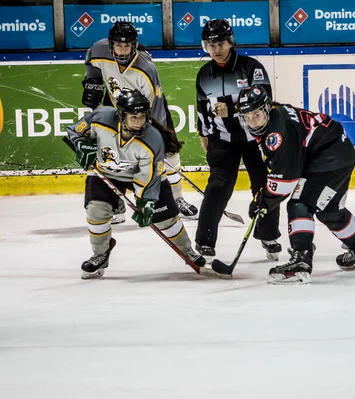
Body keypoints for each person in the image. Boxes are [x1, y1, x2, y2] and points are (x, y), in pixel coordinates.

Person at [236, 85, 355, 285]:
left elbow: (285, 183)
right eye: (247, 117)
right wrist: (264, 198)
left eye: (256, 115)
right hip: (336, 151)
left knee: (299, 203)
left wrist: (263, 201)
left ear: (267, 108)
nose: (252, 121)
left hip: (330, 158)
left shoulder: (277, 134)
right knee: (329, 210)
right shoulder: (276, 115)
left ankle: (301, 261)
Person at [66, 90, 206, 279]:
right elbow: (75, 130)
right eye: (133, 117)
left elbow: (148, 177)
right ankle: (100, 254)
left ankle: (187, 250)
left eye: (142, 117)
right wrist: (82, 145)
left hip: (138, 176)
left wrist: (146, 202)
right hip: (106, 172)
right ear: (121, 115)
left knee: (164, 218)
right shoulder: (101, 117)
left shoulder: (153, 139)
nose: (139, 122)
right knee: (96, 212)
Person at [82, 21, 198, 223]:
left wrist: (154, 135)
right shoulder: (99, 48)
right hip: (116, 109)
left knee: (170, 155)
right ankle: (116, 205)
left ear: (135, 45)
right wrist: (93, 81)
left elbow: (157, 109)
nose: (123, 50)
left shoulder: (146, 69)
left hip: (148, 113)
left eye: (127, 45)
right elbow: (91, 59)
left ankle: (177, 199)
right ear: (111, 44)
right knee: (111, 155)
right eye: (118, 45)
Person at [194, 19, 281, 262]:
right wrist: (203, 132)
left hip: (257, 138)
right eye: (210, 45)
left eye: (220, 43)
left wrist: (232, 109)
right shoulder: (204, 74)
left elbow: (265, 99)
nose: (215, 49)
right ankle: (204, 240)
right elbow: (201, 107)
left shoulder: (251, 67)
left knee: (265, 185)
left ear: (230, 42)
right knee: (218, 187)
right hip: (222, 139)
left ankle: (268, 235)